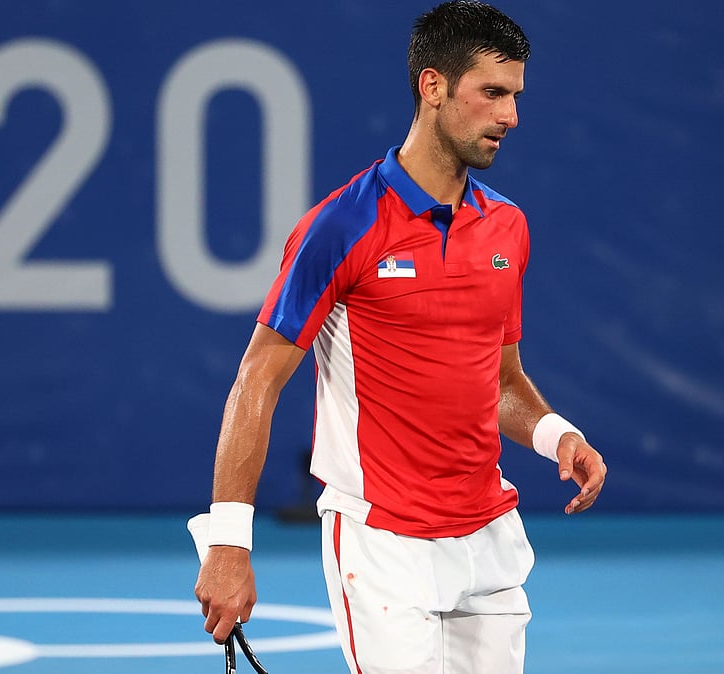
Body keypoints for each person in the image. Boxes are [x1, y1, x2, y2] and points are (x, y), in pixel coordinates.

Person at [192, 2, 608, 672]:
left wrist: (558, 434)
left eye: (516, 97)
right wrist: (229, 543)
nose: (511, 117)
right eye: (493, 94)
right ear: (434, 86)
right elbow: (257, 381)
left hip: (488, 539)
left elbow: (499, 382)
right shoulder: (340, 227)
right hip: (381, 544)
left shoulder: (508, 229)